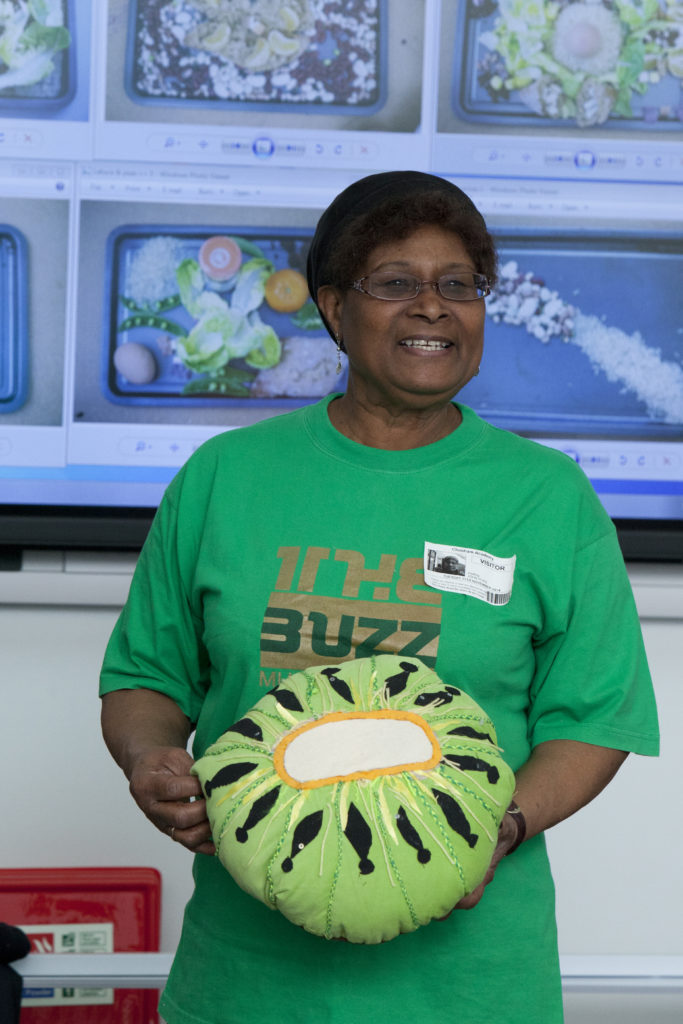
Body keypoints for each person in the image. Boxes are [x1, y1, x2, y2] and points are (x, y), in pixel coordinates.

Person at [100, 171, 659, 1024]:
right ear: (332, 308)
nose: (433, 306)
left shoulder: (548, 496)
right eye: (396, 282)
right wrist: (151, 761)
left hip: (470, 991)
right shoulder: (226, 477)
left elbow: (594, 718)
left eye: (459, 285)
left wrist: (499, 826)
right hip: (247, 987)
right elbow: (146, 677)